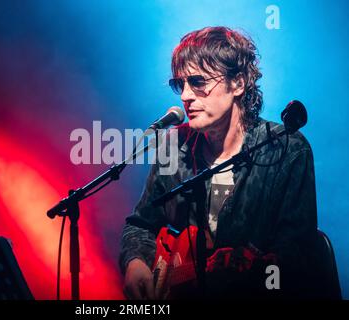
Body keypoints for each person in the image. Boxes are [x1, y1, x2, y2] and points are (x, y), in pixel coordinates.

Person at [119, 26, 319, 299]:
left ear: (238, 83)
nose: (185, 96)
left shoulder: (287, 150)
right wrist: (136, 262)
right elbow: (141, 224)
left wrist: (251, 272)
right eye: (181, 84)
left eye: (198, 82)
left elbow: (298, 257)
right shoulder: (173, 145)